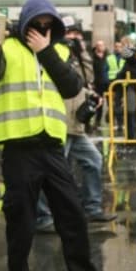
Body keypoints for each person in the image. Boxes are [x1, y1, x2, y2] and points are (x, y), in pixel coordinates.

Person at [0, 0, 126, 271]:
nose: (41, 31)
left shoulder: (57, 50)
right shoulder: (5, 47)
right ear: (25, 22)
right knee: (21, 228)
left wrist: (46, 50)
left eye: (48, 26)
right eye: (36, 25)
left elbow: (72, 87)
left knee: (73, 217)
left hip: (53, 148)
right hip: (18, 149)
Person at [36, 20, 117, 231]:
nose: (75, 38)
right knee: (52, 171)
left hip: (75, 124)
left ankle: (91, 208)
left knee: (94, 160)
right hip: (59, 123)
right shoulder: (51, 53)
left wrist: (91, 94)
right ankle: (43, 217)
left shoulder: (75, 55)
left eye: (78, 35)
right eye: (71, 34)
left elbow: (84, 80)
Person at [91, 40, 109, 132]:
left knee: (111, 103)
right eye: (98, 45)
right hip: (97, 83)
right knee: (98, 103)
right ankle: (96, 122)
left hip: (109, 83)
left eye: (102, 45)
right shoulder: (92, 58)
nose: (100, 47)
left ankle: (110, 118)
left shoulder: (108, 57)